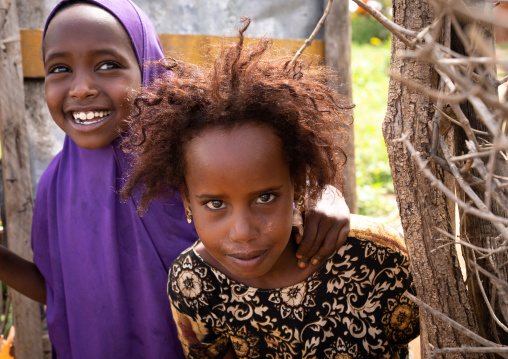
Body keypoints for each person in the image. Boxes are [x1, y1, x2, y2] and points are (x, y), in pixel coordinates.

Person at [0, 1, 350, 358]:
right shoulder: (54, 186)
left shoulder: (191, 161)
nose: (82, 88)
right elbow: (60, 289)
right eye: (60, 68)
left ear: (146, 64)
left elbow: (270, 216)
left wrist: (325, 197)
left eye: (108, 65)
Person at [121, 17, 420, 359]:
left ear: (296, 185)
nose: (244, 231)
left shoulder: (378, 257)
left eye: (265, 197)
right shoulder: (194, 283)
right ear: (187, 200)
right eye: (215, 204)